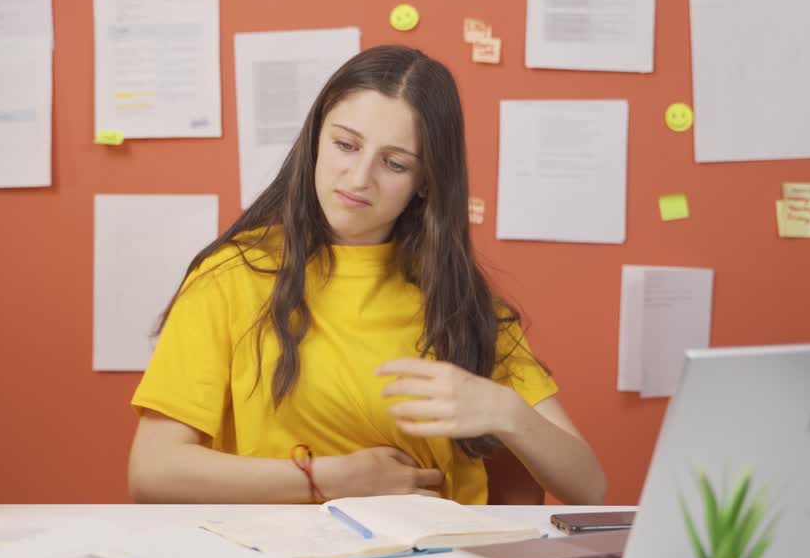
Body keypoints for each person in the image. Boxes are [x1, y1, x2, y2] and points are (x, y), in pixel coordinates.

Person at [127, 45, 605, 505]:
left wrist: (507, 412)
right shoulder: (231, 276)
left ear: (425, 183)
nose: (359, 178)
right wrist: (330, 479)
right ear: (315, 139)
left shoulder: (460, 301)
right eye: (345, 145)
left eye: (394, 164)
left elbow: (590, 488)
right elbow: (153, 471)